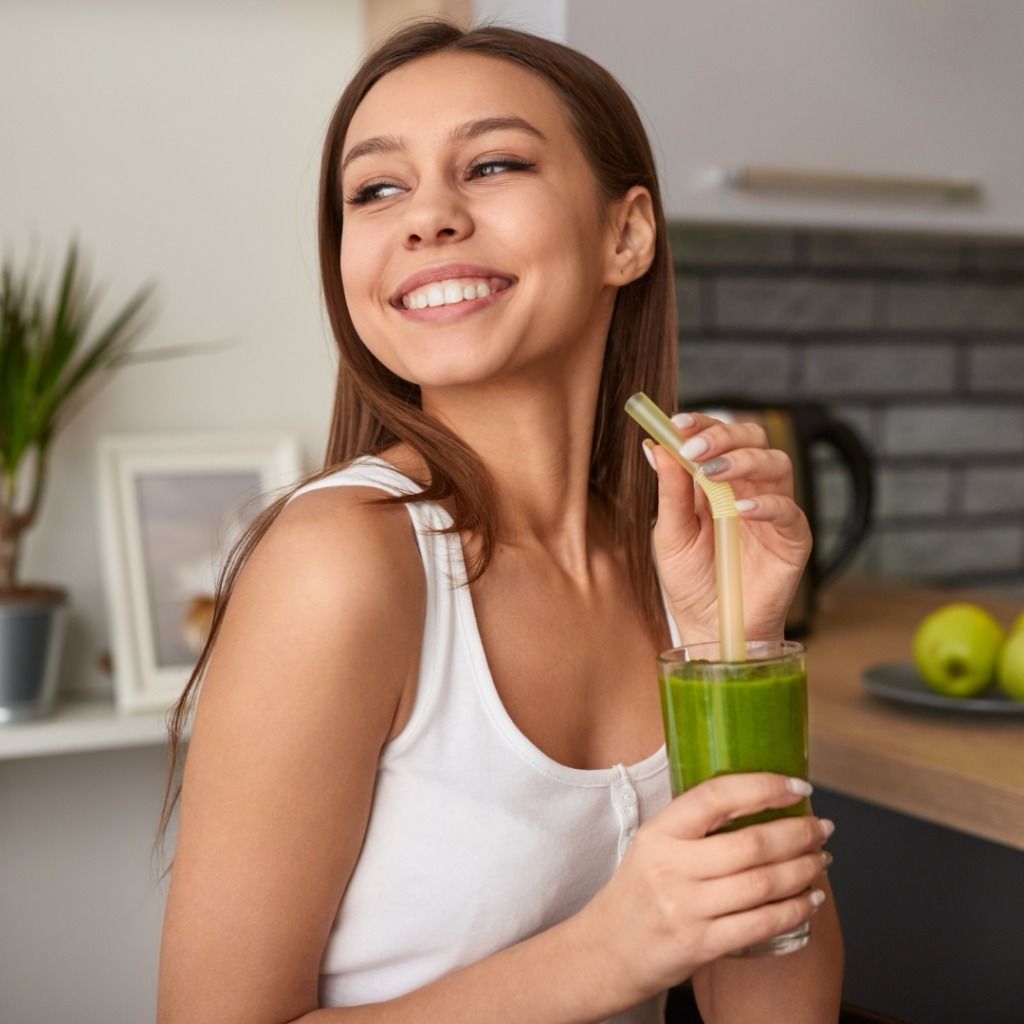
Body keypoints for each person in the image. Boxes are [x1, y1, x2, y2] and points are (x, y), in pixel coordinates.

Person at [156, 20, 843, 1024]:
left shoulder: (666, 563)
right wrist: (612, 950)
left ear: (627, 234)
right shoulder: (340, 564)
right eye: (376, 190)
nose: (426, 216)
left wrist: (733, 646)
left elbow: (776, 1012)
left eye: (490, 164)